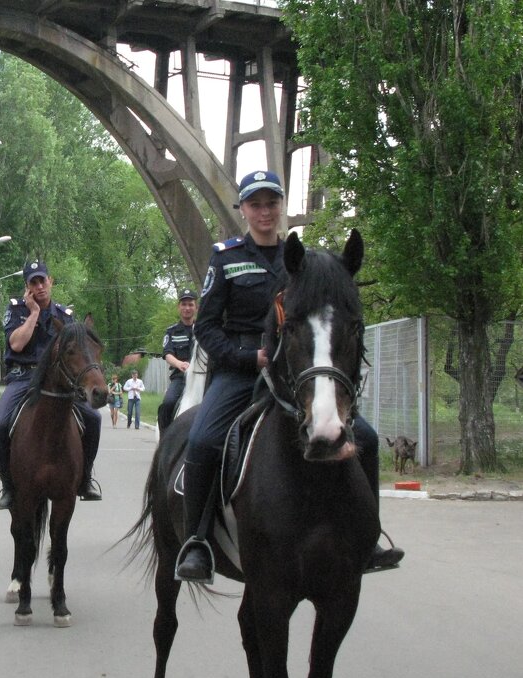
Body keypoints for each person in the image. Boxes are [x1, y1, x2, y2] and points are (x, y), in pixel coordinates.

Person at [174, 170, 405, 582]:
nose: (264, 212)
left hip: (294, 369)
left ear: (281, 207)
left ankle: (367, 538)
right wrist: (248, 357)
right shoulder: (225, 258)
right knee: (203, 437)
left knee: (365, 438)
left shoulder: (302, 260)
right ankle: (197, 542)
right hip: (242, 368)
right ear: (242, 209)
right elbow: (206, 327)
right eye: (255, 204)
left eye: (271, 203)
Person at [0, 259, 102, 509]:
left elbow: (77, 353)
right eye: (34, 282)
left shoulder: (65, 316)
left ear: (50, 281)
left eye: (43, 280)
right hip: (24, 378)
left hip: (58, 381)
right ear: (27, 287)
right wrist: (35, 314)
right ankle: (9, 486)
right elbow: (16, 344)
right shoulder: (17, 310)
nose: (40, 286)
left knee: (94, 419)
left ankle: (85, 478)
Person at [157, 288, 198, 433]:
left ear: (196, 307)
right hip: (180, 379)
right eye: (184, 304)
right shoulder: (171, 331)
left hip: (203, 378)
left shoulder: (204, 329)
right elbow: (167, 354)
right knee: (167, 405)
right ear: (179, 307)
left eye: (190, 304)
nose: (187, 308)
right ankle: (164, 444)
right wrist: (179, 364)